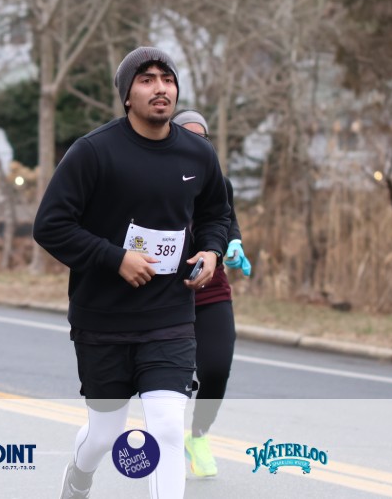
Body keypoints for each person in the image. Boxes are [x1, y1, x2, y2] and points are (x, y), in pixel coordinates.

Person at [33, 46, 230, 499]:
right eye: (147, 80)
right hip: (103, 319)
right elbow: (50, 226)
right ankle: (78, 477)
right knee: (104, 434)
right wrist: (115, 258)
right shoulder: (93, 152)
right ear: (127, 94)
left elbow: (217, 213)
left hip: (169, 316)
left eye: (167, 79)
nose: (160, 88)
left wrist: (212, 250)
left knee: (167, 427)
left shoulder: (198, 154)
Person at [171, 110, 252, 479]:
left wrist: (233, 244)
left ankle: (198, 436)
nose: (194, 144)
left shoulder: (219, 182)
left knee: (216, 368)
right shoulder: (155, 181)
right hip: (167, 295)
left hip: (212, 289)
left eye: (201, 138)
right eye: (186, 135)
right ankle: (167, 439)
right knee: (172, 378)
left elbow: (226, 220)